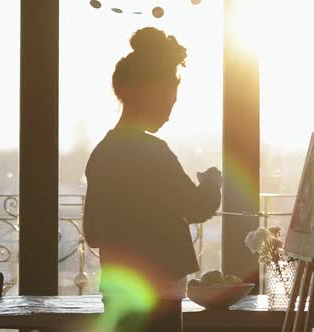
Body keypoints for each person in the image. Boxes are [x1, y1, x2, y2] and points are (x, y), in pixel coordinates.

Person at [83, 27, 222, 332]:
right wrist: (213, 183)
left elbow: (92, 233)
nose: (170, 112)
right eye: (168, 101)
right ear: (147, 93)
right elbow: (198, 207)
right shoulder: (154, 152)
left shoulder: (101, 153)